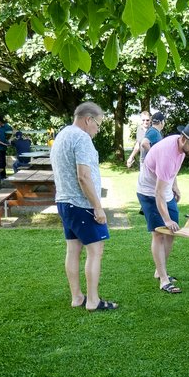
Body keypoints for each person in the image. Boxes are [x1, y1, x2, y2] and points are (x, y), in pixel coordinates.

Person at [51, 102, 118, 311]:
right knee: (95, 251)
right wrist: (97, 207)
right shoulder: (82, 138)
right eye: (98, 124)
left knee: (73, 249)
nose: (98, 130)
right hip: (82, 204)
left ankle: (77, 297)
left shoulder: (62, 134)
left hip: (64, 201)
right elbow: (83, 176)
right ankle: (92, 301)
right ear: (88, 119)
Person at [137, 123, 189, 294]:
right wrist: (166, 219)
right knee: (159, 233)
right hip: (149, 192)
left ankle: (159, 271)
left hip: (165, 190)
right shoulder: (167, 153)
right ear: (183, 139)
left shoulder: (181, 148)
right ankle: (163, 279)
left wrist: (175, 185)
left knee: (171, 233)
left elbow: (172, 172)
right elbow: (157, 193)